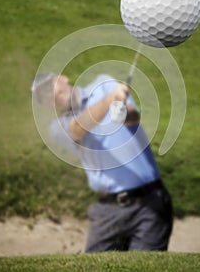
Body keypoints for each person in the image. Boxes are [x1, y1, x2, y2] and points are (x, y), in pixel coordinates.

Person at [31, 72, 173, 252]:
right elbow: (77, 129)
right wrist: (108, 101)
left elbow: (132, 118)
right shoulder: (57, 128)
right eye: (45, 98)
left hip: (149, 201)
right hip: (108, 211)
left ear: (63, 78)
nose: (52, 96)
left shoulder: (103, 83)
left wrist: (121, 109)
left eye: (50, 88)